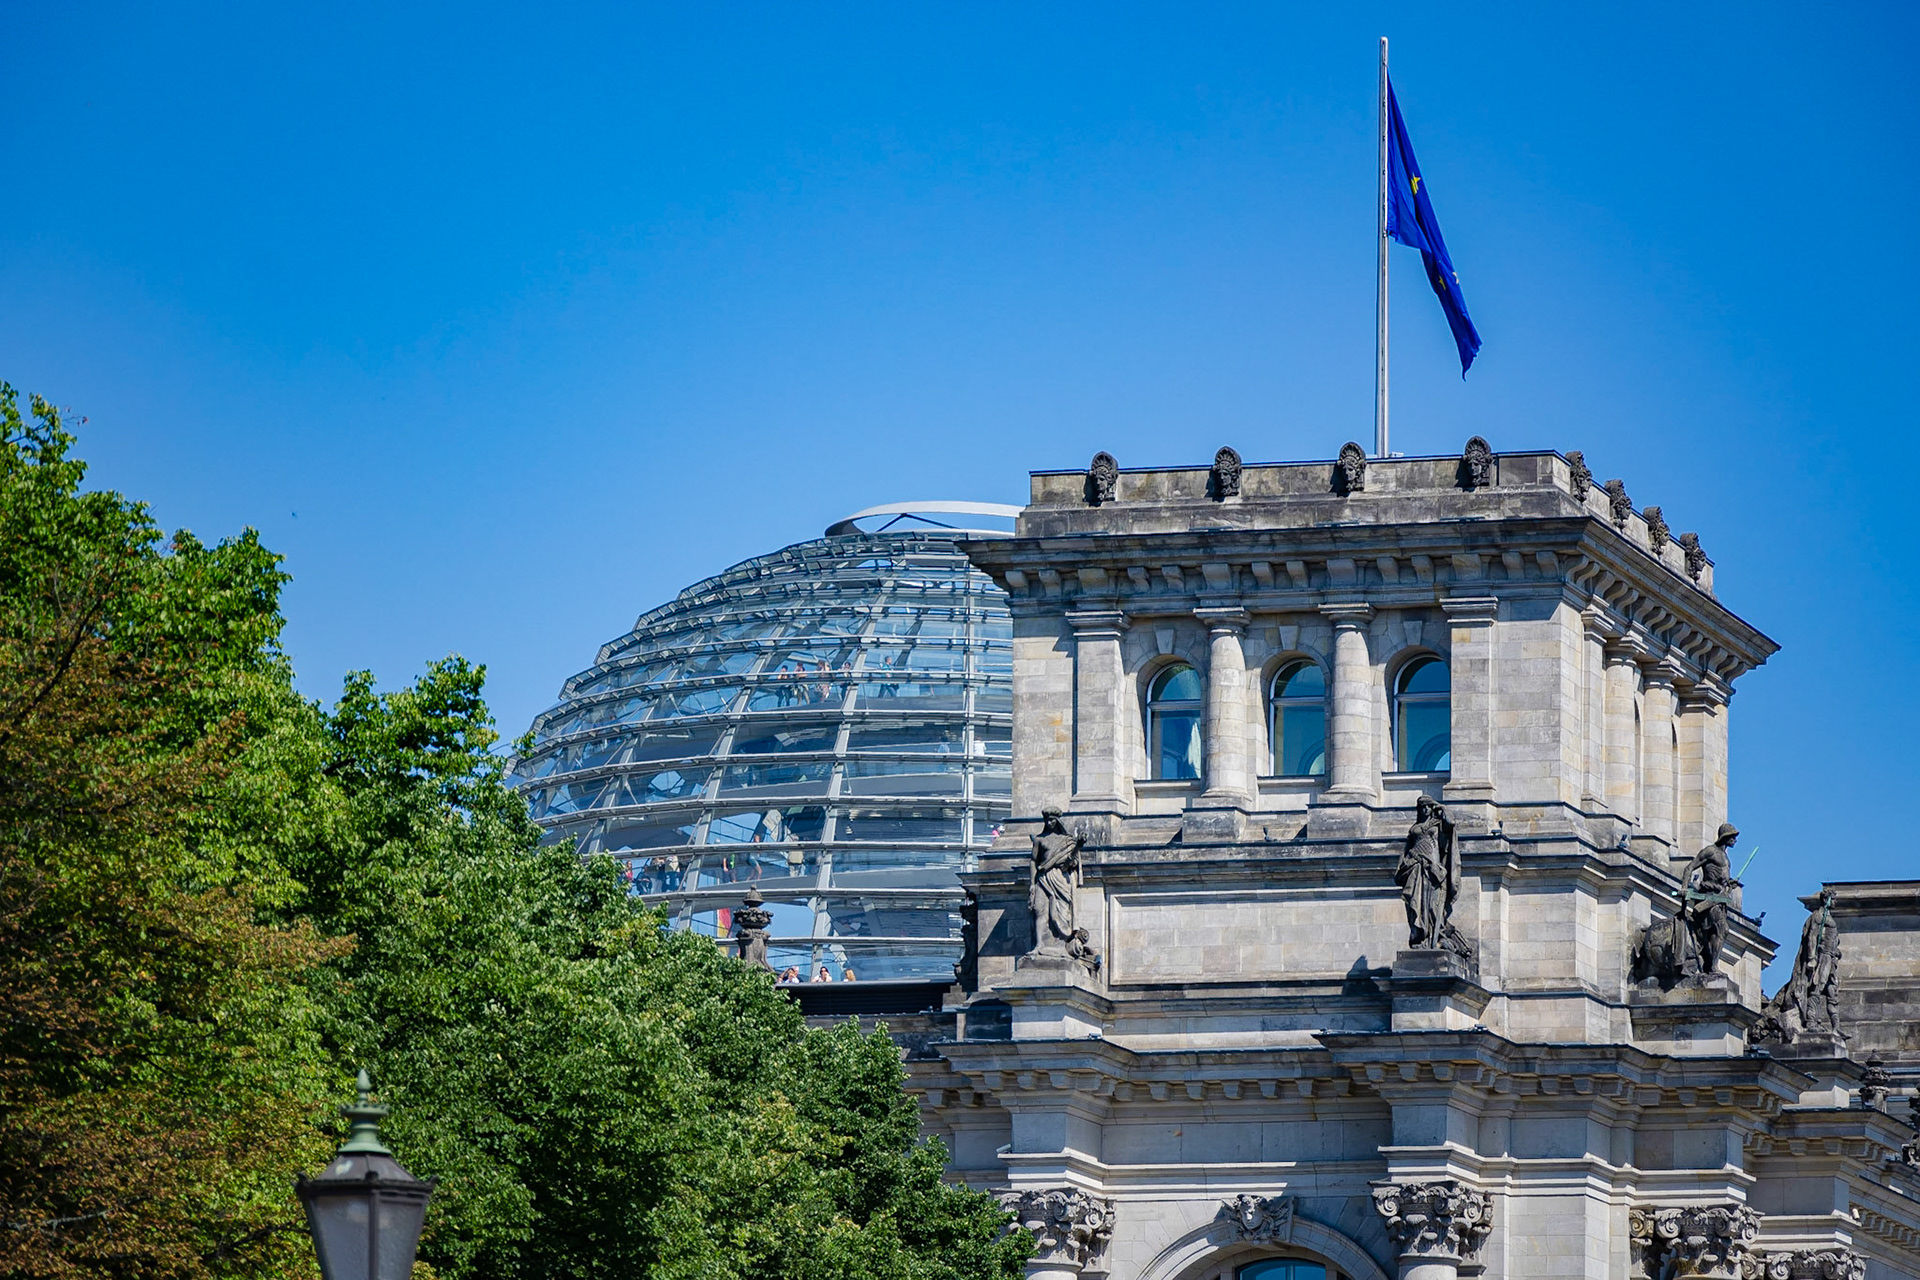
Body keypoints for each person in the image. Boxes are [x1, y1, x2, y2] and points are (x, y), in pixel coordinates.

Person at [1395, 796, 1459, 951]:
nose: (1424, 809)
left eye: (1427, 806)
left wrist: (1440, 807)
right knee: (1415, 903)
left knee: (1432, 906)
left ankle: (1434, 938)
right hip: (1416, 867)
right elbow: (1407, 849)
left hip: (1433, 870)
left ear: (1431, 808)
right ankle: (1419, 937)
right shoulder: (1414, 828)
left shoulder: (1437, 824)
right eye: (1421, 807)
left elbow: (1451, 823)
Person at [1680, 823, 1741, 978]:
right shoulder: (1710, 852)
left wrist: (1729, 884)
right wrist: (1684, 888)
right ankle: (1713, 967)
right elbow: (1689, 868)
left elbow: (1721, 878)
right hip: (1709, 899)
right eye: (1733, 836)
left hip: (1720, 900)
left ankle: (1709, 965)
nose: (1735, 839)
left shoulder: (1725, 856)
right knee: (1723, 929)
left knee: (1715, 933)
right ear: (1725, 837)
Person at [1028, 807, 1083, 956]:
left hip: (1061, 878)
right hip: (1043, 878)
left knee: (1062, 913)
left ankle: (1061, 946)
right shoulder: (1039, 839)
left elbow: (1072, 863)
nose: (1050, 822)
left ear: (1057, 820)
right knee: (1039, 910)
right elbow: (1033, 861)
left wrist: (1078, 847)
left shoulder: (1067, 840)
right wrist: (1032, 884)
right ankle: (1039, 945)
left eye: (1052, 819)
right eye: (1047, 820)